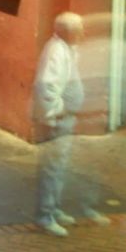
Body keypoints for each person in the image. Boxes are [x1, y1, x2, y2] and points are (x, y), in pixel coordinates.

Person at [33, 12, 102, 236]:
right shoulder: (57, 52)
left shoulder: (67, 49)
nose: (84, 33)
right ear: (68, 32)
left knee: (58, 167)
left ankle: (54, 208)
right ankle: (46, 215)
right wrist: (56, 112)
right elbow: (46, 85)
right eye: (80, 29)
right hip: (57, 120)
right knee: (52, 167)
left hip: (64, 118)